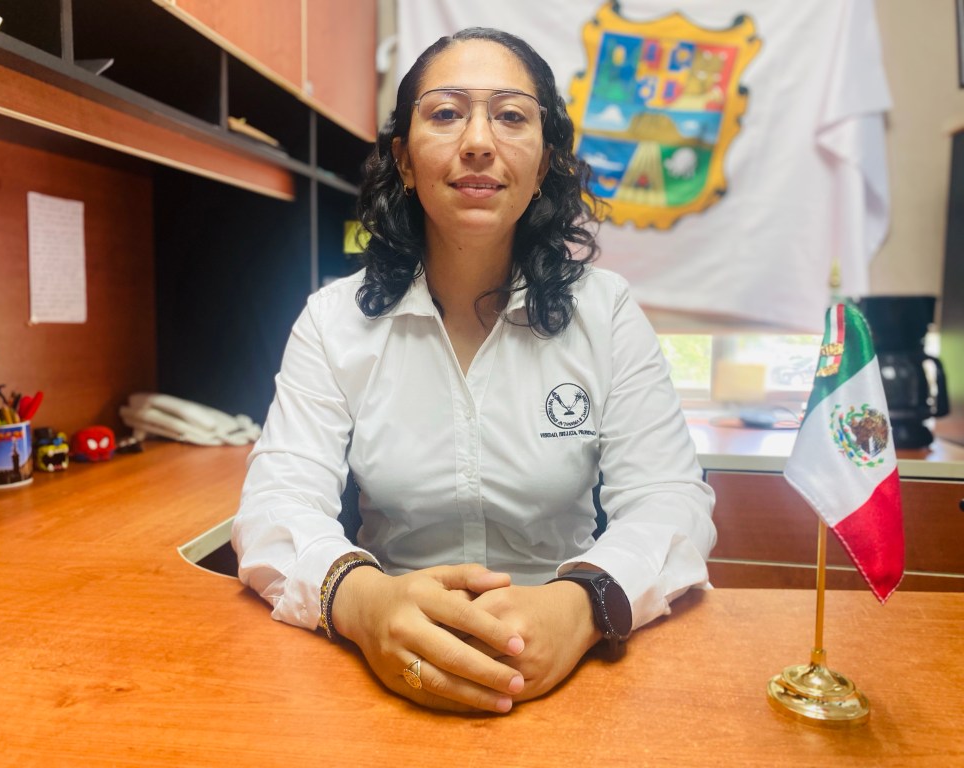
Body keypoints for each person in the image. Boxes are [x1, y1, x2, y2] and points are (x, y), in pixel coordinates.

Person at [231, 27, 716, 715]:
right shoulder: (332, 320)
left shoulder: (605, 313)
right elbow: (275, 502)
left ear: (545, 161)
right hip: (385, 664)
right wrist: (365, 603)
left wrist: (581, 607)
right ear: (404, 160)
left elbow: (670, 499)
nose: (479, 141)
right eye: (446, 113)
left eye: (511, 115)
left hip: (572, 663)